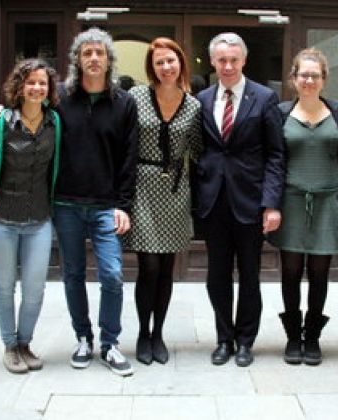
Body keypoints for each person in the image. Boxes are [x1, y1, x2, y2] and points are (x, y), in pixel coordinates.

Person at [0, 28, 139, 377]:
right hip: (65, 204)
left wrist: (123, 205)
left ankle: (109, 342)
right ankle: (82, 338)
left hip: (105, 206)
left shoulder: (124, 103)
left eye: (100, 52)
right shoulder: (61, 100)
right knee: (71, 275)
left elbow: (130, 158)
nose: (94, 58)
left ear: (109, 59)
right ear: (77, 60)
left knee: (113, 275)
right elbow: (24, 107)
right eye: (87, 53)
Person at [194, 32, 285, 367]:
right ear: (213, 62)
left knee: (249, 275)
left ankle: (245, 342)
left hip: (250, 202)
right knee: (216, 275)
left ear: (244, 60)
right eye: (221, 60)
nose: (228, 66)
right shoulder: (201, 98)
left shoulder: (265, 98)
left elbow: (276, 155)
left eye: (233, 59)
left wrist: (272, 203)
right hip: (213, 202)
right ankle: (224, 338)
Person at [0, 58, 61, 374]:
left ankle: (25, 342)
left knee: (35, 288)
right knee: (4, 285)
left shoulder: (55, 123)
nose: (37, 88)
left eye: (43, 83)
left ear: (49, 89)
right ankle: (10, 345)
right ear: (20, 87)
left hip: (38, 219)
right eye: (31, 82)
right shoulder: (0, 121)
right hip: (0, 219)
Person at [121, 37, 201, 365]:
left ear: (180, 63)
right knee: (149, 265)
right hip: (142, 187)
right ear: (151, 68)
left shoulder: (194, 105)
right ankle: (142, 332)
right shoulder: (136, 97)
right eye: (159, 62)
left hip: (175, 192)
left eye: (171, 60)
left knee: (166, 268)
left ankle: (158, 334)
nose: (166, 67)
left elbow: (197, 149)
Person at [267, 48, 338, 366]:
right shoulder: (281, 113)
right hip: (293, 201)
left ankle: (312, 337)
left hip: (327, 202)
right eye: (303, 75)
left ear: (324, 79)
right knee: (290, 271)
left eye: (315, 75)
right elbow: (273, 160)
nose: (309, 80)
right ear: (294, 79)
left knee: (319, 273)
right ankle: (292, 337)